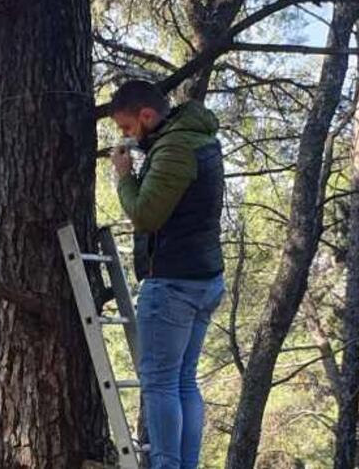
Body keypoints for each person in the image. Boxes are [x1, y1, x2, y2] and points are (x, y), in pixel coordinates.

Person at [108, 79, 225, 469]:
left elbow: (146, 214)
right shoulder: (195, 138)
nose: (127, 136)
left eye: (127, 127)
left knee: (160, 382)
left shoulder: (175, 148)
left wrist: (124, 176)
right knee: (183, 380)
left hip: (175, 281)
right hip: (203, 278)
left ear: (146, 115)